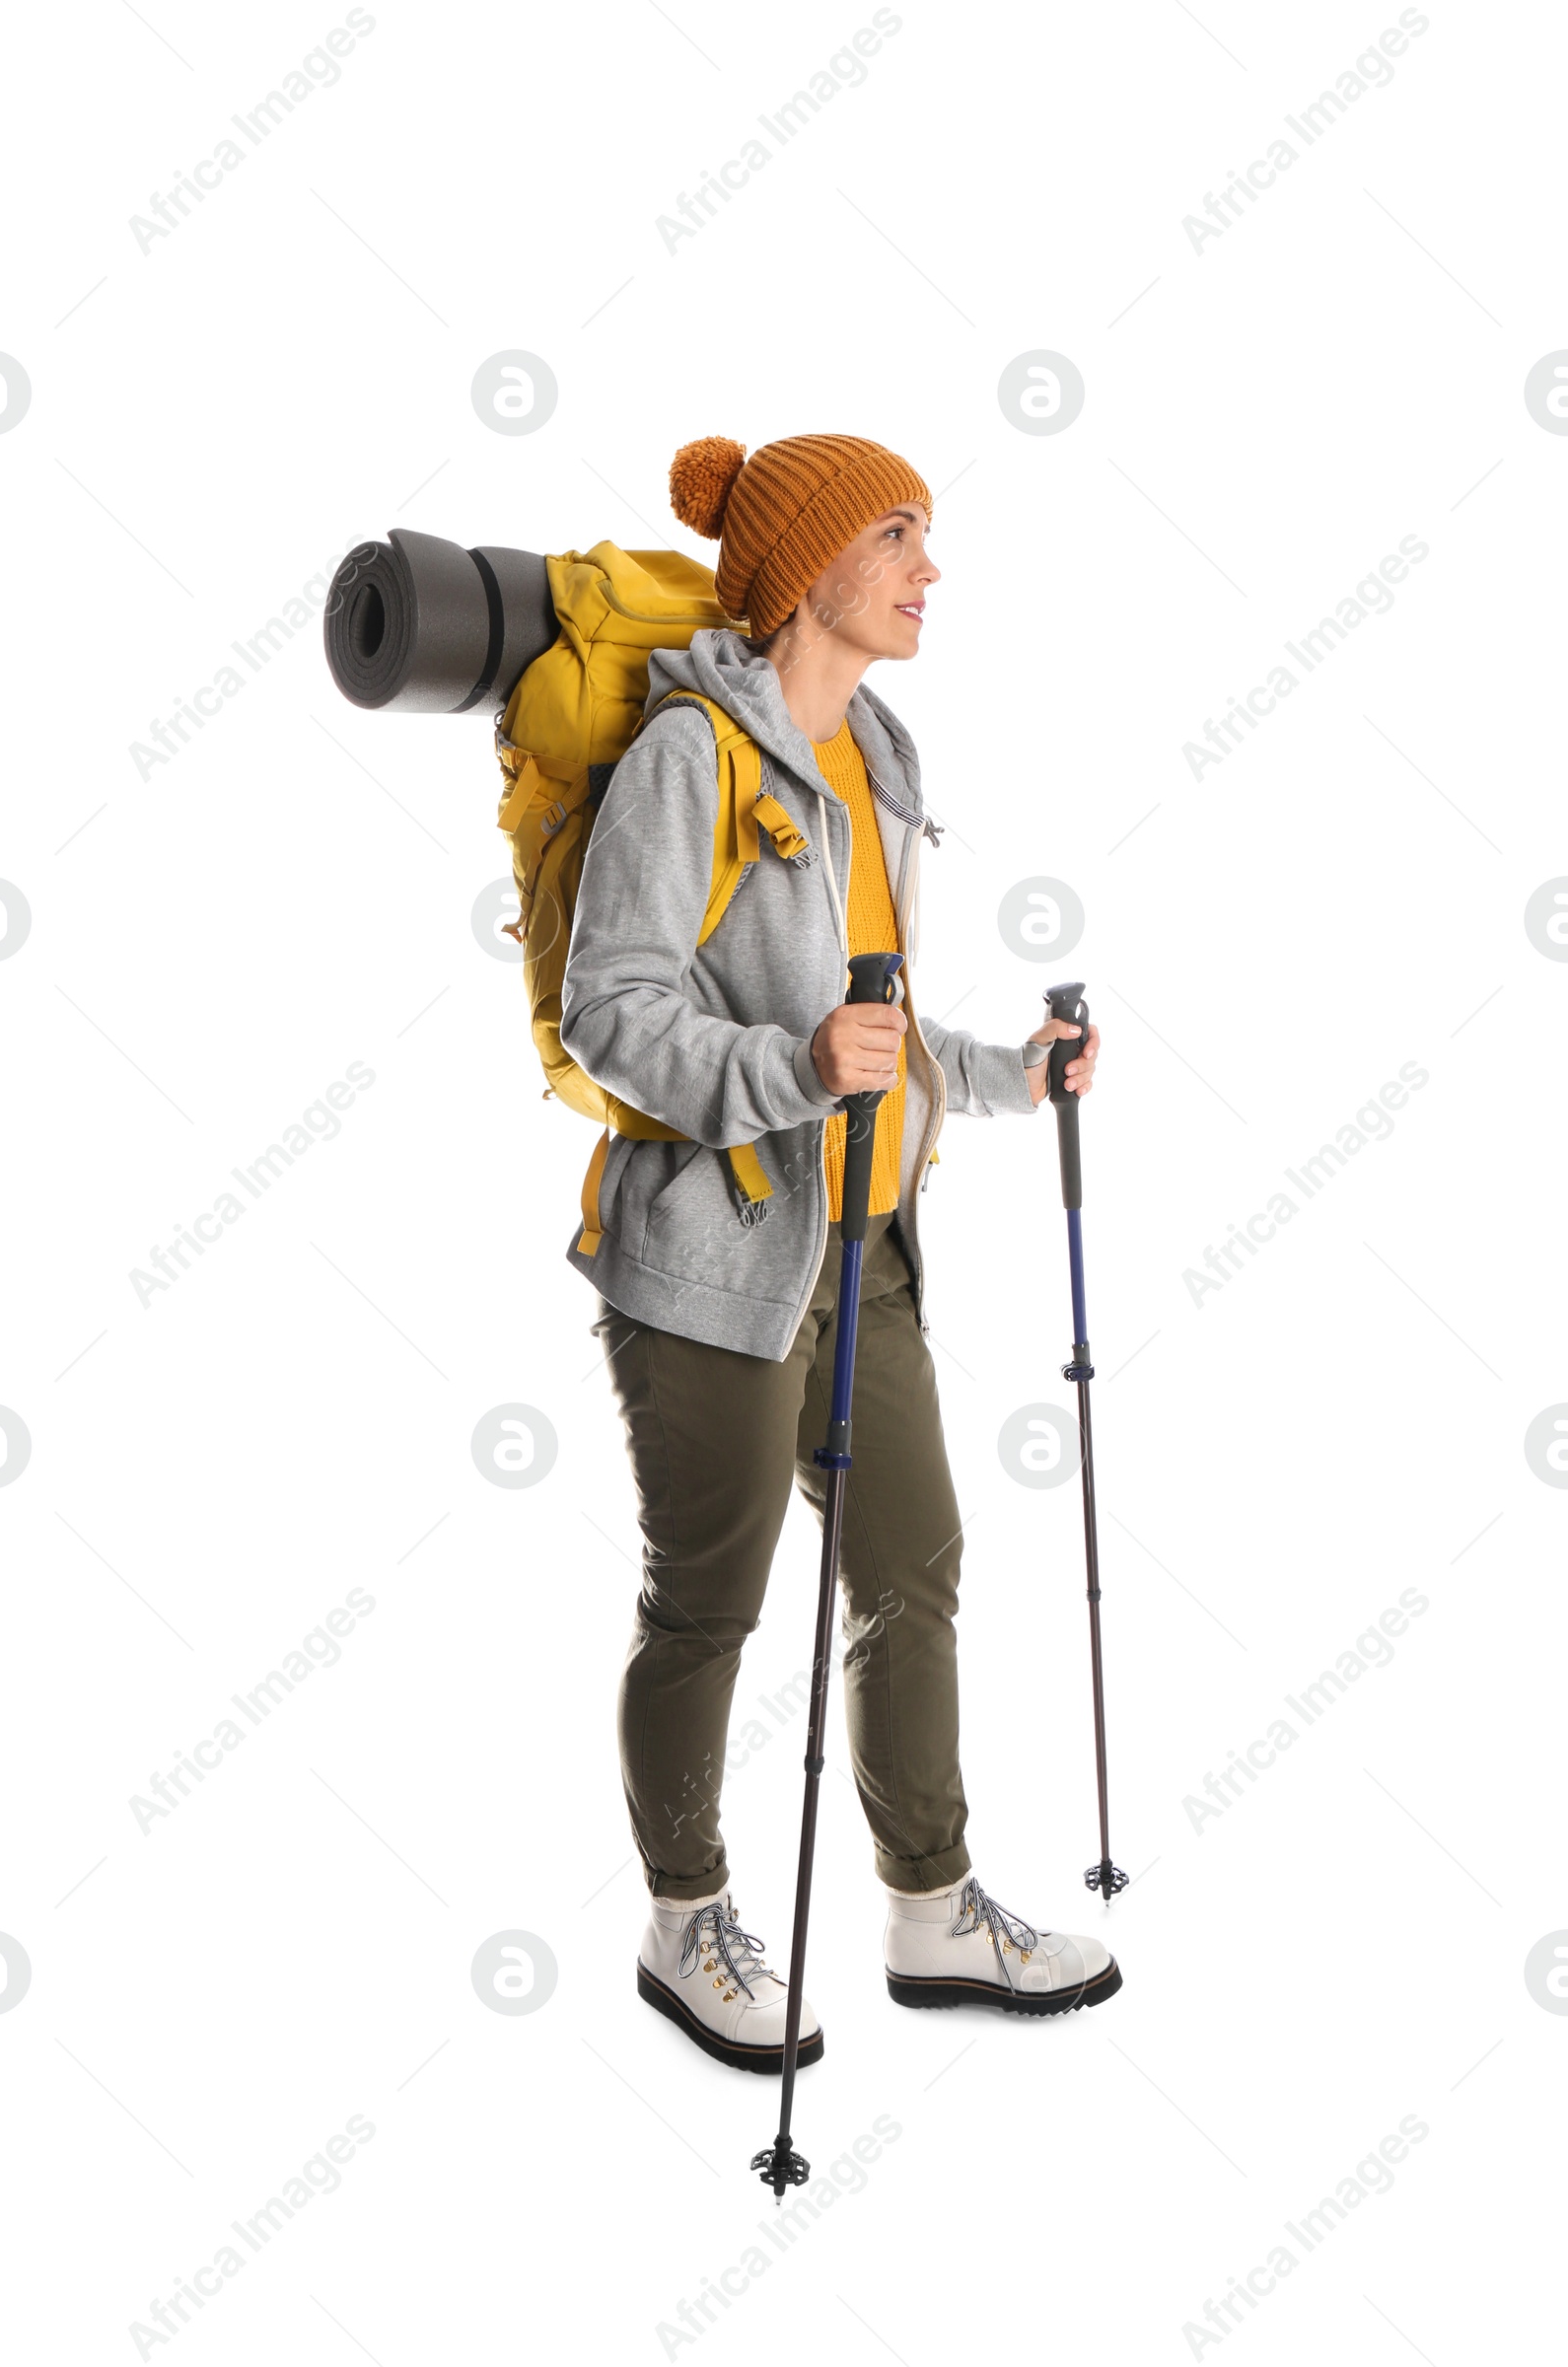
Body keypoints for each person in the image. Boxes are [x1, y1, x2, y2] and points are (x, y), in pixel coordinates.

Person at [559, 431, 1119, 2073]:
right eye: (898, 535)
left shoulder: (879, 750)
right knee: (709, 1607)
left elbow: (868, 1012)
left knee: (914, 1564)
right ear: (810, 568)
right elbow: (613, 1012)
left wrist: (1011, 1071)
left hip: (868, 1247)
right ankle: (685, 1925)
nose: (929, 569)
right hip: (713, 1263)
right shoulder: (690, 757)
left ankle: (931, 1906)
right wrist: (789, 1074)